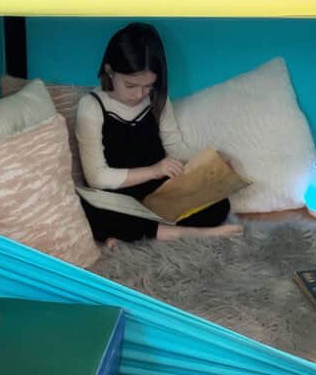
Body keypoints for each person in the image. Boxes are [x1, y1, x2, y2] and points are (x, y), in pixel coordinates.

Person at [76, 22, 241, 244]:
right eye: (130, 85)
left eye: (148, 86)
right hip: (118, 194)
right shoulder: (92, 106)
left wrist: (213, 161)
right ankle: (179, 233)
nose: (139, 94)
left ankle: (139, 233)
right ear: (109, 70)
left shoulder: (157, 100)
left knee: (219, 206)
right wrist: (154, 170)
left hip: (158, 192)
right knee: (87, 210)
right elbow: (96, 177)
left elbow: (176, 148)